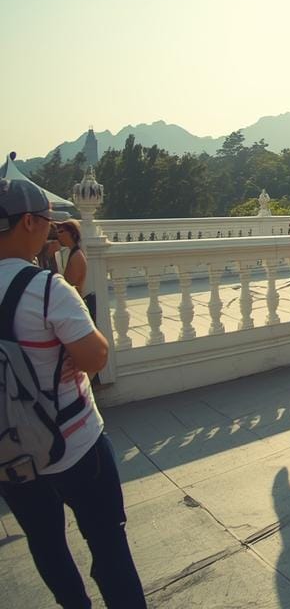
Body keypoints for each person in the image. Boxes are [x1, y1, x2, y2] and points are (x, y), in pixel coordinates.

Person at [0, 178, 146, 609]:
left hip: (10, 456)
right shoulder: (45, 289)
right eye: (46, 223)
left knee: (45, 544)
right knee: (107, 542)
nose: (48, 232)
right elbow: (95, 357)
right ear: (27, 221)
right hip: (74, 444)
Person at [54, 220, 87, 297]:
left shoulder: (77, 256)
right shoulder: (74, 253)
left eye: (61, 231)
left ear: (73, 234)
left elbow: (70, 285)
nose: (58, 235)